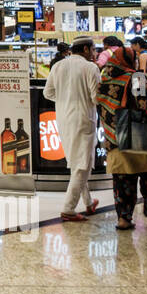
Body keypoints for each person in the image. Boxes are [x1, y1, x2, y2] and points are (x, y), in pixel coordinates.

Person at [97, 42, 147, 229]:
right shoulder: (136, 78)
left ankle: (124, 218)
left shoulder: (104, 78)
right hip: (141, 137)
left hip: (115, 138)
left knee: (122, 181)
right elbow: (146, 107)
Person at [45, 36, 103, 222]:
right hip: (83, 120)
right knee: (82, 164)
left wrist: (65, 100)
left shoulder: (58, 66)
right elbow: (96, 98)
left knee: (77, 163)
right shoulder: (90, 68)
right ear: (86, 49)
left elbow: (48, 92)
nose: (95, 54)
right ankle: (68, 208)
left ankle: (88, 202)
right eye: (93, 50)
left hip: (63, 119)